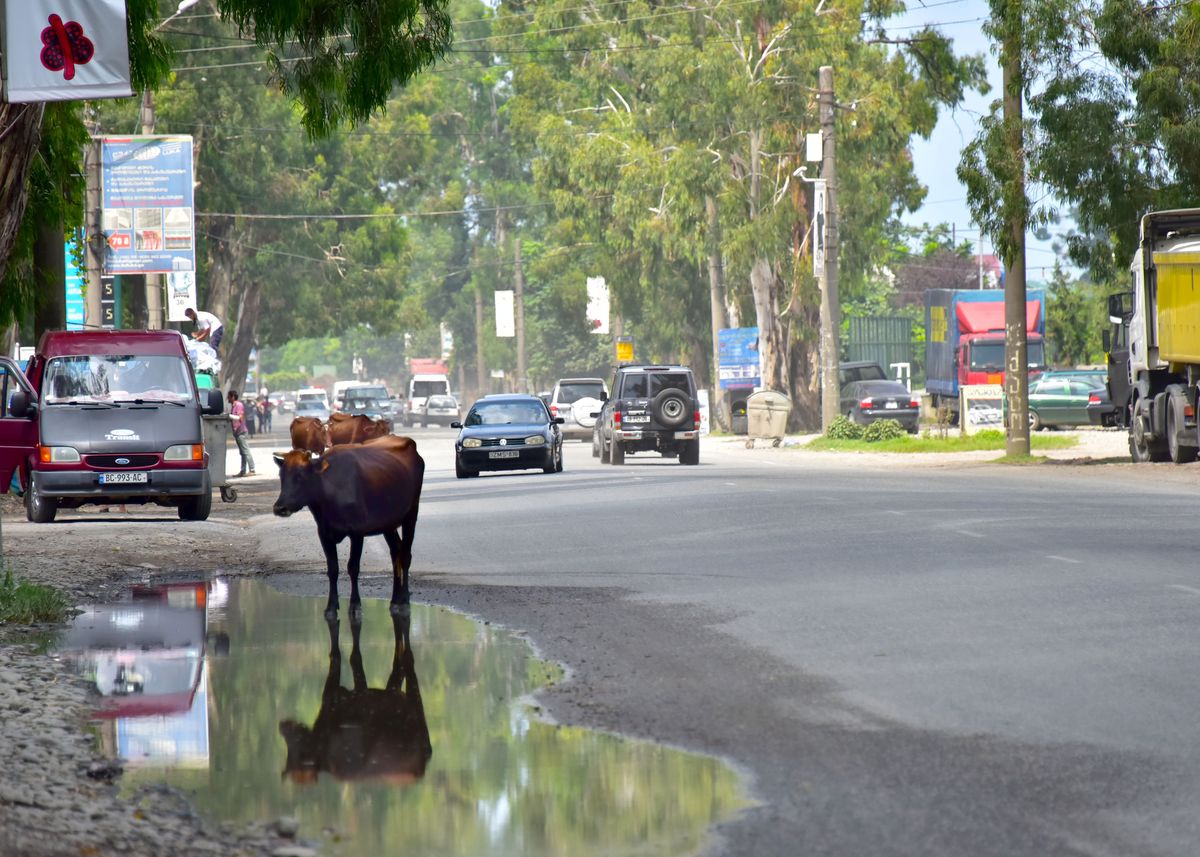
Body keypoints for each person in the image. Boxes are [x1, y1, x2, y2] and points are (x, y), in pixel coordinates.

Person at [228, 390, 255, 477]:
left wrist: (229, 416)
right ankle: (243, 471)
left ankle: (252, 469)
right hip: (237, 432)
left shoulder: (238, 405)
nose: (227, 398)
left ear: (232, 397)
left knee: (245, 451)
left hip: (241, 431)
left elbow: (240, 417)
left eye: (228, 396)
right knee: (242, 452)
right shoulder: (233, 406)